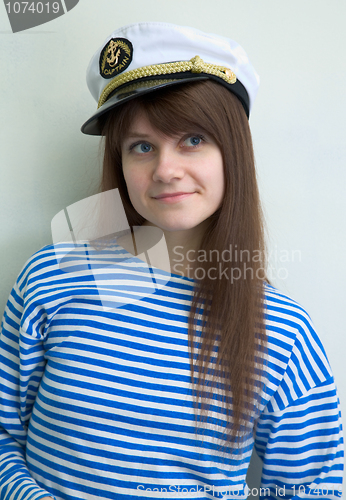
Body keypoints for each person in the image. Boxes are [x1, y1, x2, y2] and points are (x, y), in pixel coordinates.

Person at [0, 22, 343, 500]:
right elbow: (4, 435)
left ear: (233, 153)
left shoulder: (283, 330)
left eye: (193, 140)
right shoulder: (52, 275)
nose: (165, 169)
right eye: (142, 146)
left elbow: (315, 489)